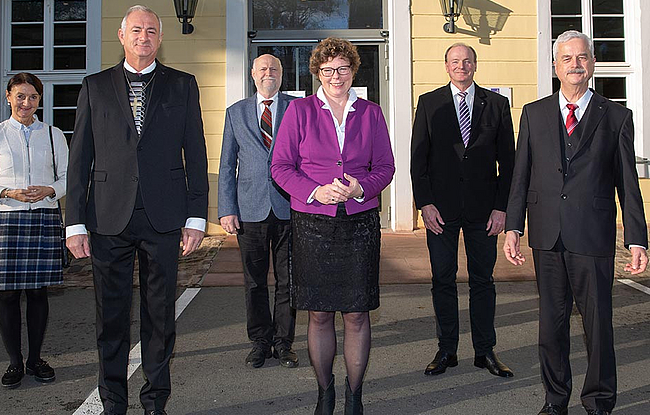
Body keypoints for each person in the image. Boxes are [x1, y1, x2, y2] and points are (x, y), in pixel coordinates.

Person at [65, 5, 208, 415]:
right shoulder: (95, 86)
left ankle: (155, 401)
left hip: (164, 217)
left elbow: (195, 152)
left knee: (160, 316)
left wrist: (196, 216)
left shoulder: (182, 85)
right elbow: (80, 160)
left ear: (160, 39)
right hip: (108, 217)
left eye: (151, 31)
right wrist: (75, 222)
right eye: (136, 30)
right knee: (110, 318)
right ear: (121, 35)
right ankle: (113, 402)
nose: (143, 36)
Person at [503, 30, 648, 415]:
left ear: (593, 63)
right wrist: (513, 227)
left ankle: (599, 399)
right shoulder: (534, 114)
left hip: (593, 234)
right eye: (567, 59)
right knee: (551, 325)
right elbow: (521, 175)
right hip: (547, 234)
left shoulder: (616, 116)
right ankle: (555, 399)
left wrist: (637, 239)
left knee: (598, 325)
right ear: (555, 66)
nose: (575, 65)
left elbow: (628, 183)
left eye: (582, 57)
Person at [271, 37, 394, 414]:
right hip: (313, 226)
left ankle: (354, 395)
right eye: (327, 70)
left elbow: (385, 167)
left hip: (359, 225)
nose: (335, 76)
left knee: (357, 313)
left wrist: (361, 187)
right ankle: (325, 392)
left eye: (342, 68)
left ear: (353, 70)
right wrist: (314, 192)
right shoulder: (300, 112)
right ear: (317, 73)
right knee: (320, 313)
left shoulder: (371, 113)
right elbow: (280, 167)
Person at [410, 43, 515, 378]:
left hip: (484, 211)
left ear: (475, 65)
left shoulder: (497, 104)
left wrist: (502, 208)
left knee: (483, 281)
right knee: (443, 280)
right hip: (439, 210)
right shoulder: (429, 104)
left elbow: (508, 164)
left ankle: (485, 351)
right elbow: (418, 161)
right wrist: (424, 203)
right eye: (455, 61)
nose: (461, 66)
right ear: (446, 66)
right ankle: (447, 350)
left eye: (467, 61)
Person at [0, 72, 67, 389]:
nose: (26, 102)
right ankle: (14, 363)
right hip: (7, 221)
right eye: (20, 95)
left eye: (33, 96)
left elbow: (70, 179)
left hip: (43, 218)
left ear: (40, 100)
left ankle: (35, 359)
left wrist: (50, 190)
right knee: (8, 295)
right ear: (8, 97)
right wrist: (6, 193)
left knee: (38, 294)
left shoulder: (53, 135)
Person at [218, 54, 298, 369]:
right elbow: (226, 164)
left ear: (282, 74)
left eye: (274, 69)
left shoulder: (297, 108)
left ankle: (283, 343)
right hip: (249, 210)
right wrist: (227, 209)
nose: (268, 73)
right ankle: (260, 342)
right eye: (263, 68)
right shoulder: (235, 113)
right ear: (253, 74)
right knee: (254, 282)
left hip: (288, 208)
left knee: (287, 280)